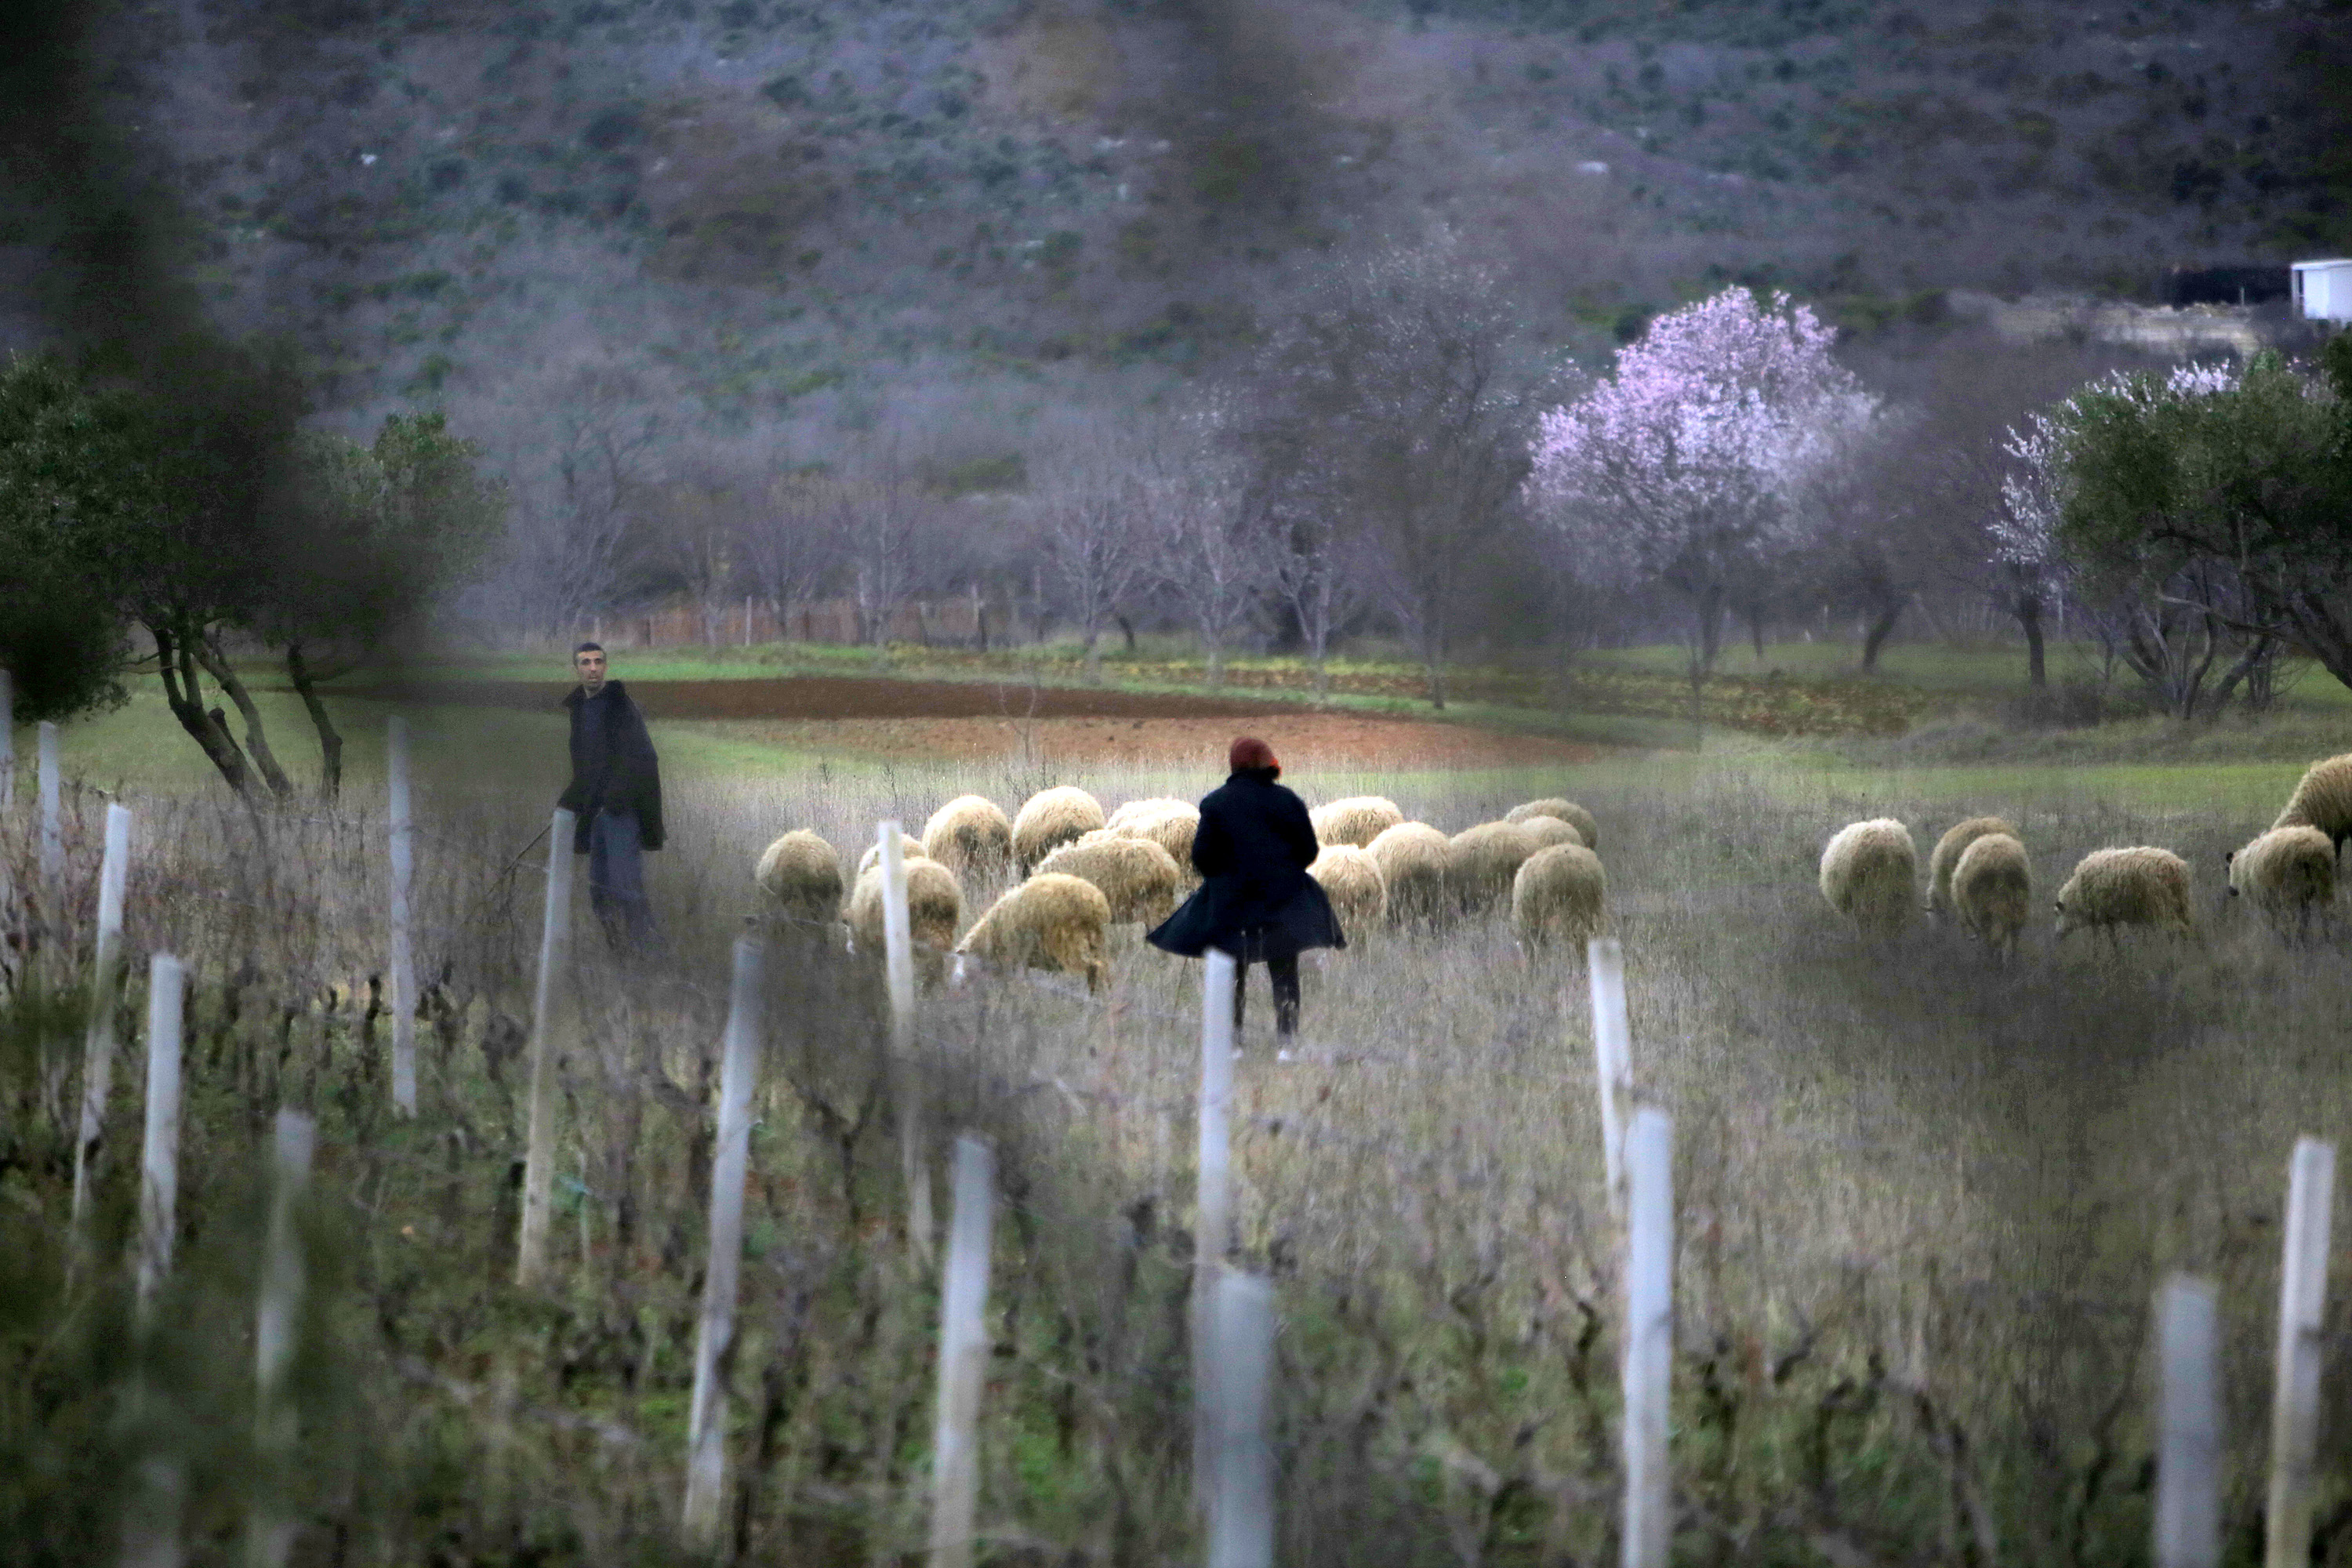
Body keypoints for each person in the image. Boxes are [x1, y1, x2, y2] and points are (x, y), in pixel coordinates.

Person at [1147, 736, 1343, 1044]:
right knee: (1284, 970)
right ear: (1267, 764)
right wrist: (1284, 873)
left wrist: (1224, 879)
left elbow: (1202, 857)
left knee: (1231, 971)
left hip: (1230, 904)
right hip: (1282, 902)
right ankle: (1287, 1045)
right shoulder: (1288, 801)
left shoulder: (1215, 803)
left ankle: (1233, 1043)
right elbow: (1308, 850)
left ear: (1235, 765)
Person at [558, 642, 664, 946]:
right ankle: (619, 955)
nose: (592, 668)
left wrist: (614, 801)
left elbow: (643, 757)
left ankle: (651, 953)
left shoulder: (620, 706)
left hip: (620, 813)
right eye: (585, 662)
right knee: (599, 891)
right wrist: (567, 804)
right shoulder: (579, 709)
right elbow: (585, 767)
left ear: (606, 667)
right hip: (594, 815)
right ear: (576, 669)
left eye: (598, 662)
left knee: (625, 888)